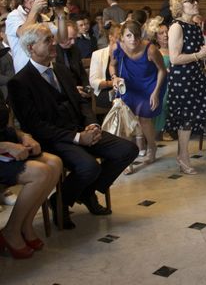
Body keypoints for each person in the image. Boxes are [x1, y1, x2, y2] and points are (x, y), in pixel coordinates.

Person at [8, 24, 138, 230]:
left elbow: (81, 102)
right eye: (47, 41)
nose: (53, 44)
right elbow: (35, 126)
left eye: (52, 38)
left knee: (128, 150)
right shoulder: (20, 82)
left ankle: (85, 192)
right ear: (31, 47)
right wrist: (77, 138)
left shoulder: (61, 69)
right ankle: (60, 202)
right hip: (54, 139)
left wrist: (92, 125)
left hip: (82, 128)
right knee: (89, 166)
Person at [165, 0, 206, 175]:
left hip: (197, 75)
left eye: (195, 0)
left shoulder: (194, 25)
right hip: (182, 78)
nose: (195, 3)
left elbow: (196, 53)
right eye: (190, 0)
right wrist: (197, 55)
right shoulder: (176, 27)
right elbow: (175, 58)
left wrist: (204, 54)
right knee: (186, 119)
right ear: (180, 6)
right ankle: (182, 157)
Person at [0, 99, 62, 259]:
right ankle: (11, 230)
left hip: (5, 148)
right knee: (39, 172)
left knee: (54, 163)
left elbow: (6, 126)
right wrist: (5, 146)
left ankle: (26, 224)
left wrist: (24, 136)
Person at [110, 21, 167, 169]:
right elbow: (112, 65)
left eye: (136, 35)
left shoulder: (151, 49)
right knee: (125, 120)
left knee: (144, 119)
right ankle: (127, 157)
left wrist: (155, 92)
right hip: (128, 86)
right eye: (128, 35)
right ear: (122, 36)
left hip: (149, 85)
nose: (133, 39)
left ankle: (152, 147)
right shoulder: (117, 47)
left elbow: (162, 70)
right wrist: (114, 77)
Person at [6, 0, 67, 73]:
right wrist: (34, 10)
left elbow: (62, 39)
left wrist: (61, 15)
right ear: (28, 1)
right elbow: (23, 34)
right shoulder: (14, 15)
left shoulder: (43, 17)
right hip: (26, 73)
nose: (46, 2)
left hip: (47, 69)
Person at [146, 17, 171, 139]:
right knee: (164, 97)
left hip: (178, 82)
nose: (166, 35)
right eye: (161, 33)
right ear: (156, 37)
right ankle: (161, 129)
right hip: (161, 84)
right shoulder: (156, 52)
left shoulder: (177, 50)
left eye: (167, 32)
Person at [89, 23, 121, 113]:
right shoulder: (98, 54)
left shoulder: (126, 54)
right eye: (119, 36)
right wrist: (112, 83)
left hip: (123, 89)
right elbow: (93, 81)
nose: (122, 40)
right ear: (110, 37)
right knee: (120, 102)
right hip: (105, 91)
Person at [55, 22, 91, 98]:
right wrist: (73, 90)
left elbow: (82, 72)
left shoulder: (75, 49)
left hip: (79, 91)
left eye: (74, 38)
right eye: (70, 39)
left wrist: (87, 87)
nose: (73, 42)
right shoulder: (53, 53)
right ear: (60, 36)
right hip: (64, 94)